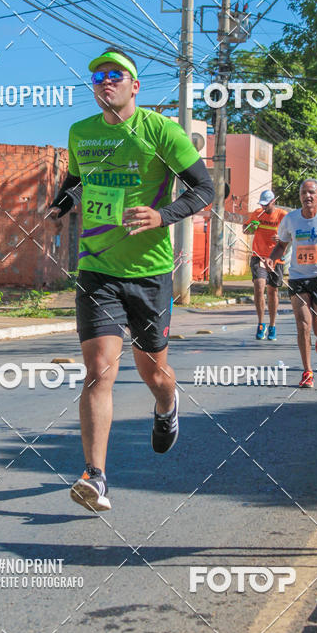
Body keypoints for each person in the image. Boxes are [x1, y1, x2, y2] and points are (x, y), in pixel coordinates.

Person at [49, 46, 214, 512]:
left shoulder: (161, 131)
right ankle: (95, 476)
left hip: (150, 272)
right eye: (98, 76)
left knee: (154, 372)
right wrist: (60, 205)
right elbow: (77, 181)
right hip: (97, 268)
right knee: (98, 369)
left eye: (115, 75)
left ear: (135, 86)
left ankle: (166, 405)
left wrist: (163, 215)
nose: (105, 81)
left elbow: (204, 189)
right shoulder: (81, 132)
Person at [267, 178, 317, 388]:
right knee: (303, 325)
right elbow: (281, 245)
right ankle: (308, 371)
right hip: (298, 277)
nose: (307, 196)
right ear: (299, 197)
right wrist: (272, 258)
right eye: (303, 193)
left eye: (311, 192)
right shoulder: (290, 219)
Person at [243, 189, 288, 340]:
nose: (263, 207)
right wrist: (250, 228)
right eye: (261, 204)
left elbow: (291, 235)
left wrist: (281, 238)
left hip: (276, 258)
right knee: (259, 285)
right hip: (259, 257)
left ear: (273, 202)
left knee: (272, 291)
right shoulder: (257, 214)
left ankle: (272, 325)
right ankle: (261, 323)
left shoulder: (282, 215)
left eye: (266, 204)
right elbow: (246, 230)